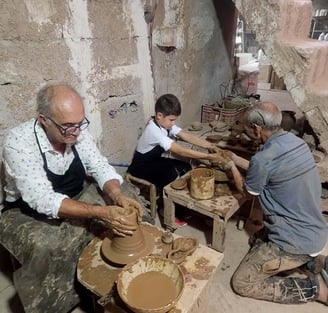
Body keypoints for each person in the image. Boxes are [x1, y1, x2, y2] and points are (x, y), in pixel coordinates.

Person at [0, 83, 145, 313]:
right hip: (26, 211)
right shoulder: (18, 143)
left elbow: (98, 166)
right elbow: (43, 199)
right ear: (44, 119)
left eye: (80, 124)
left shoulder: (76, 130)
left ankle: (112, 270)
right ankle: (64, 300)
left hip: (74, 193)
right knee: (50, 244)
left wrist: (116, 195)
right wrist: (100, 212)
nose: (77, 132)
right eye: (68, 126)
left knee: (127, 195)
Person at [216, 101, 328, 305]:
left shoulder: (263, 158)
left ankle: (316, 289)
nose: (245, 132)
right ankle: (313, 262)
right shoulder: (296, 142)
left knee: (241, 283)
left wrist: (231, 166)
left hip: (296, 240)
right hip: (316, 230)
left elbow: (248, 192)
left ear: (257, 129)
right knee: (256, 240)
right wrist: (234, 157)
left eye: (247, 128)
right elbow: (266, 169)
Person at [127, 94, 223, 225]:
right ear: (160, 115)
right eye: (171, 120)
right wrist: (208, 156)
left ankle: (180, 204)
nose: (173, 123)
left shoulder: (165, 124)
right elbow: (180, 150)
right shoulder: (153, 130)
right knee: (172, 176)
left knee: (186, 168)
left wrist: (210, 146)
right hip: (140, 167)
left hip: (154, 161)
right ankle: (166, 210)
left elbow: (186, 135)